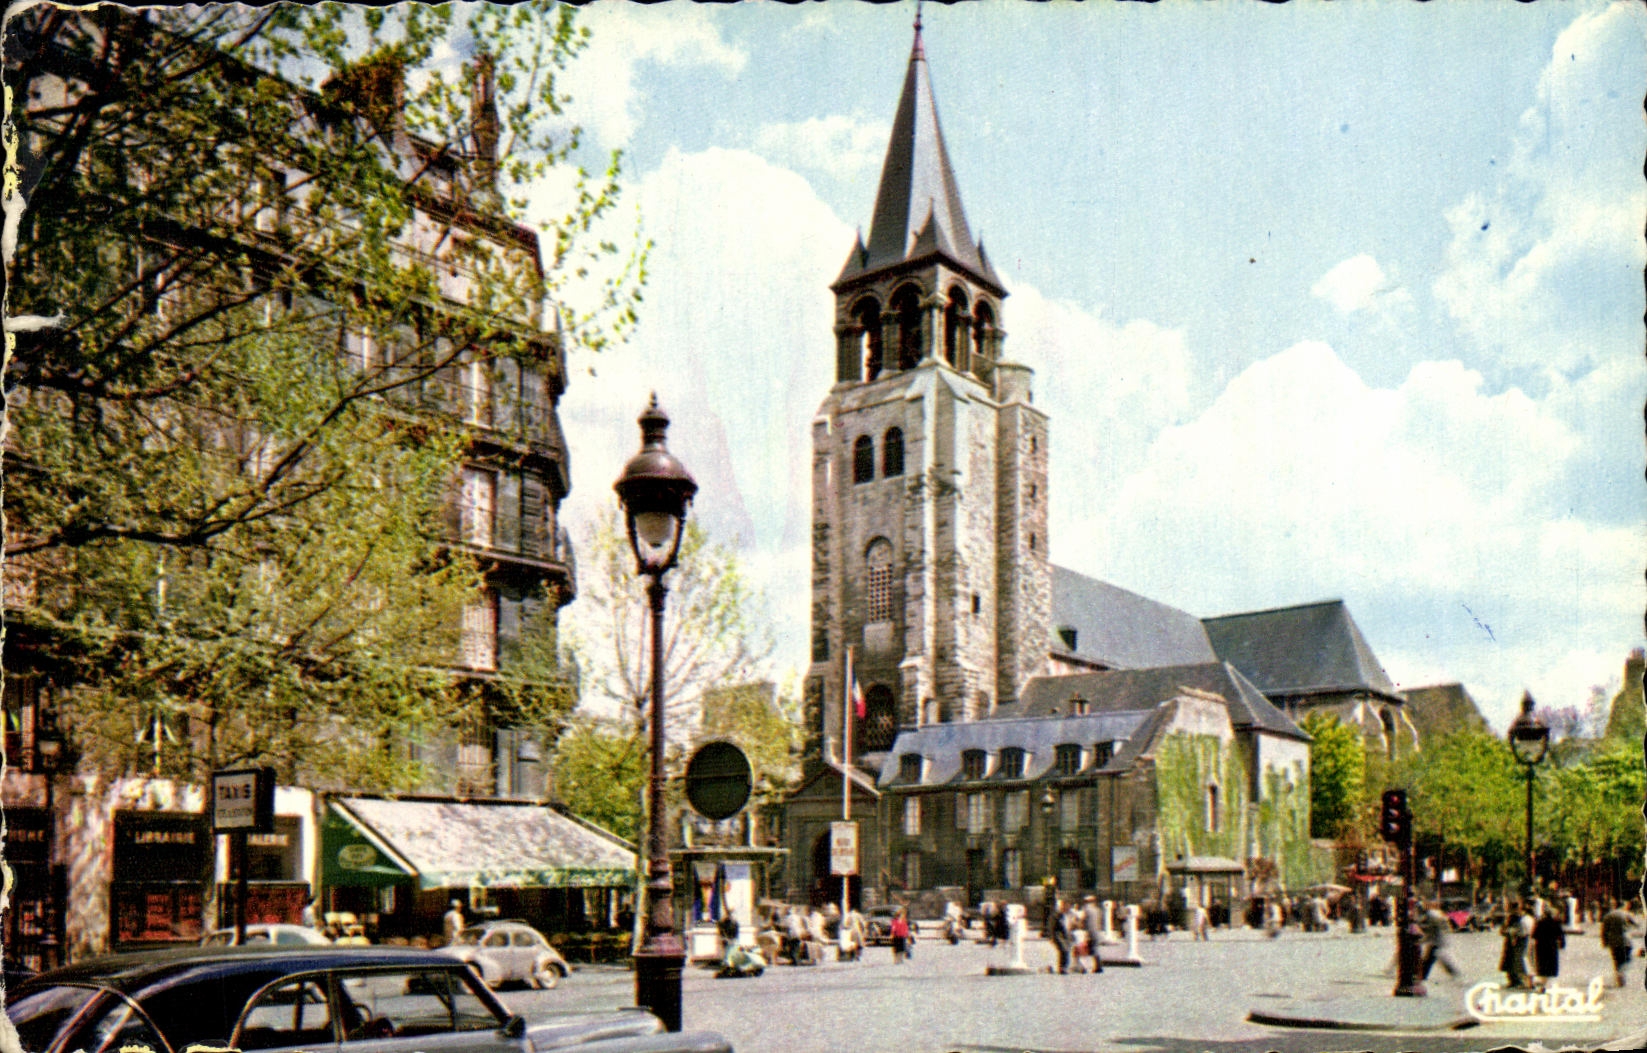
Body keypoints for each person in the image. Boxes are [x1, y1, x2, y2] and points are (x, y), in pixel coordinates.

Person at [1601, 898, 1636, 987]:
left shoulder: (1608, 915)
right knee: (1626, 959)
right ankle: (1622, 973)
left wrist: (1604, 941)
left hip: (1614, 942)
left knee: (1617, 961)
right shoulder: (1627, 914)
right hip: (1626, 941)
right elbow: (1635, 924)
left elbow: (1604, 931)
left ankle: (1619, 978)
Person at [1420, 900, 1459, 980]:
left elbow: (1438, 926)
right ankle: (1451, 971)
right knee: (1433, 958)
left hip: (1434, 941)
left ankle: (1422, 976)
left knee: (1428, 959)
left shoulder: (1433, 915)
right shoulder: (1432, 915)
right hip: (1434, 941)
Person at [1531, 903, 1565, 989]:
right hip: (1552, 946)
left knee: (1542, 964)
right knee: (1551, 965)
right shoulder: (1555, 922)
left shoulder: (1540, 922)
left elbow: (1534, 935)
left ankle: (1542, 981)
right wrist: (1562, 944)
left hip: (1541, 946)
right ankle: (1547, 983)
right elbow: (1560, 935)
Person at [1499, 900, 1531, 989]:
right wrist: (1506, 931)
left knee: (1516, 961)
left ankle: (1519, 981)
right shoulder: (1511, 917)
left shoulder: (1518, 918)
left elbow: (1519, 930)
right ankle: (1513, 980)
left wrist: (1508, 931)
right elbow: (1503, 930)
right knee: (1509, 962)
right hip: (1510, 942)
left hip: (1517, 942)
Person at [1081, 895, 1105, 973]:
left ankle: (1095, 966)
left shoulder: (1086, 909)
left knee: (1089, 949)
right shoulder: (1097, 910)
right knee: (1095, 949)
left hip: (1090, 932)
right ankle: (1097, 966)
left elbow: (1083, 920)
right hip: (1097, 931)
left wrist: (1085, 932)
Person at [1048, 898, 1071, 973]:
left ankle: (1063, 967)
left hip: (1062, 936)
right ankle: (1061, 967)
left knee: (1065, 951)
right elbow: (1051, 927)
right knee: (1063, 950)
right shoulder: (1055, 915)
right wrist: (1051, 937)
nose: (1064, 908)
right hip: (1057, 936)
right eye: (1062, 906)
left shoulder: (1062, 915)